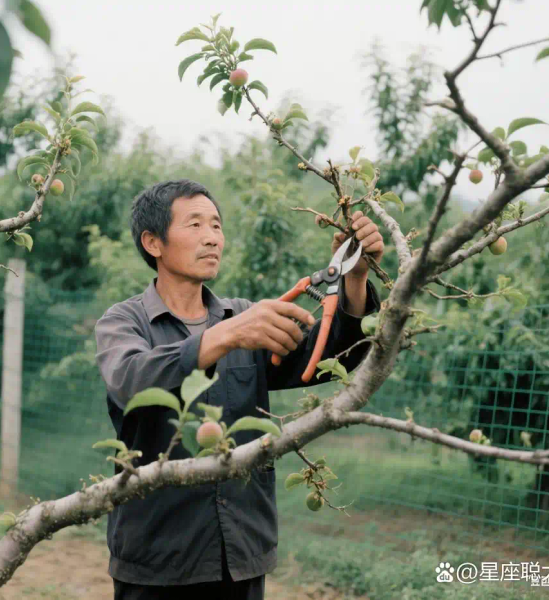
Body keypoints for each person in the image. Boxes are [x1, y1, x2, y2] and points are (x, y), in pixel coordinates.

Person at [94, 179, 383, 600]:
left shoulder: (245, 317)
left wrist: (355, 280)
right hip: (157, 562)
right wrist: (224, 336)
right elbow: (130, 381)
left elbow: (327, 362)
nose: (212, 237)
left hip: (242, 553)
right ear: (153, 242)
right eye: (194, 225)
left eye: (216, 225)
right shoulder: (124, 322)